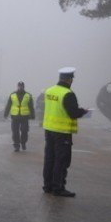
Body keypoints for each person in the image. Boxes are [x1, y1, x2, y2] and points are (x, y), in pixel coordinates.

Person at [42, 67, 89, 197]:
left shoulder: (49, 91)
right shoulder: (68, 94)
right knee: (61, 160)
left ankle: (48, 186)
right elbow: (73, 113)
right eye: (72, 78)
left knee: (49, 159)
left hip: (49, 129)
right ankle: (58, 187)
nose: (72, 81)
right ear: (69, 79)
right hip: (62, 132)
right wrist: (83, 111)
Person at [4, 81, 35, 152]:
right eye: (19, 86)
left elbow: (31, 106)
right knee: (15, 132)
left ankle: (23, 142)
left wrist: (32, 115)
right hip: (15, 116)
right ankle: (16, 145)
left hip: (24, 117)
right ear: (17, 86)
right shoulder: (12, 95)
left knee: (24, 131)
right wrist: (6, 113)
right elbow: (8, 105)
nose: (20, 87)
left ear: (24, 87)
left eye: (22, 86)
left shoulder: (28, 95)